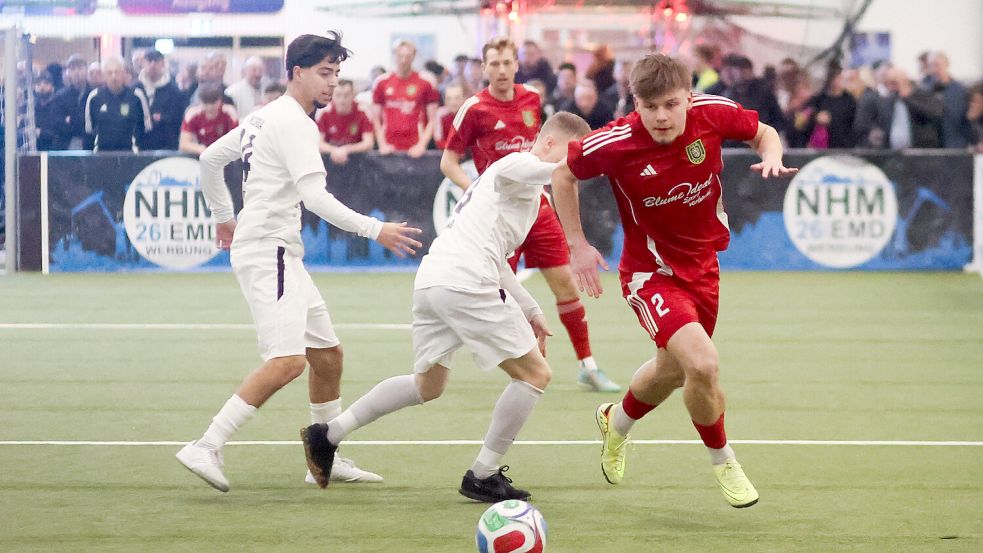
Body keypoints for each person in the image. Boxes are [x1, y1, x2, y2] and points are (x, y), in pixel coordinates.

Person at [177, 31, 424, 492]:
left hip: (277, 250)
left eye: (337, 74)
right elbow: (315, 197)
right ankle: (206, 444)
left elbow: (210, 160)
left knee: (327, 356)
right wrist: (376, 229)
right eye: (325, 73)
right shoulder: (294, 122)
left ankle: (325, 455)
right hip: (268, 250)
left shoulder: (265, 115)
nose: (333, 83)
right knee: (288, 362)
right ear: (296, 73)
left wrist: (224, 218)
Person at [300, 112, 592, 502]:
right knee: (535, 374)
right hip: (465, 281)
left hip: (435, 280)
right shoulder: (517, 164)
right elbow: (557, 169)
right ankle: (483, 474)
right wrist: (607, 157)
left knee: (428, 385)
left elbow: (499, 260)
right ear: (551, 143)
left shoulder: (523, 189)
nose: (574, 167)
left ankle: (327, 435)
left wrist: (531, 309)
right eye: (573, 154)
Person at [551, 53, 798, 508]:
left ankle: (615, 423)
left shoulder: (712, 112)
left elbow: (763, 132)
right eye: (650, 107)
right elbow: (563, 174)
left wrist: (772, 155)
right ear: (635, 104)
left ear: (688, 97)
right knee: (702, 364)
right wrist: (577, 244)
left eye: (670, 104)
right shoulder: (616, 141)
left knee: (671, 371)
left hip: (703, 268)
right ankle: (724, 461)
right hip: (649, 274)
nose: (661, 116)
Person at [440, 37, 619, 393]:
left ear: (516, 65)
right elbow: (448, 162)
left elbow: (549, 152)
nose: (501, 70)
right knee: (500, 291)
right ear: (484, 68)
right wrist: (478, 191)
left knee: (565, 283)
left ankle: (588, 366)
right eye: (494, 64)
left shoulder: (532, 99)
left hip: (538, 206)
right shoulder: (474, 108)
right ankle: (519, 364)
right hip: (499, 216)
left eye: (507, 63)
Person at [371, 40, 440, 157]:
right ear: (394, 55)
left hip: (415, 148)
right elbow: (375, 118)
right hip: (389, 148)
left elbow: (433, 119)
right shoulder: (381, 82)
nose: (403, 60)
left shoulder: (426, 82)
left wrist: (421, 145)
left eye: (407, 56)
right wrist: (382, 144)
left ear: (414, 56)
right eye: (400, 56)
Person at [83, 56, 151, 152]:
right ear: (104, 75)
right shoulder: (94, 97)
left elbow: (146, 128)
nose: (114, 77)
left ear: (123, 74)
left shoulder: (137, 96)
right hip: (101, 154)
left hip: (131, 154)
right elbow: (89, 131)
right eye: (109, 73)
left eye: (117, 72)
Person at [136, 49, 187, 151]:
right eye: (149, 61)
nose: (153, 65)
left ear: (163, 63)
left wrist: (162, 118)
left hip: (166, 146)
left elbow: (178, 119)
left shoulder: (175, 92)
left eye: (156, 61)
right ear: (143, 63)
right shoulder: (135, 89)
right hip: (140, 146)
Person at [316, 79, 374, 164]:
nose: (342, 100)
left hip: (358, 161)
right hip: (330, 161)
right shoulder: (324, 112)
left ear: (353, 95)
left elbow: (368, 143)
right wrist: (335, 151)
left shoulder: (363, 111)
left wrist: (347, 149)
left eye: (346, 95)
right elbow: (318, 143)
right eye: (338, 95)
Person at [179, 84, 239, 154]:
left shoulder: (230, 112)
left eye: (213, 103)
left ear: (220, 100)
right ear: (200, 102)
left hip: (224, 153)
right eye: (206, 103)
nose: (209, 107)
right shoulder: (192, 114)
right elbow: (183, 144)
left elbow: (236, 141)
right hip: (200, 154)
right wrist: (200, 149)